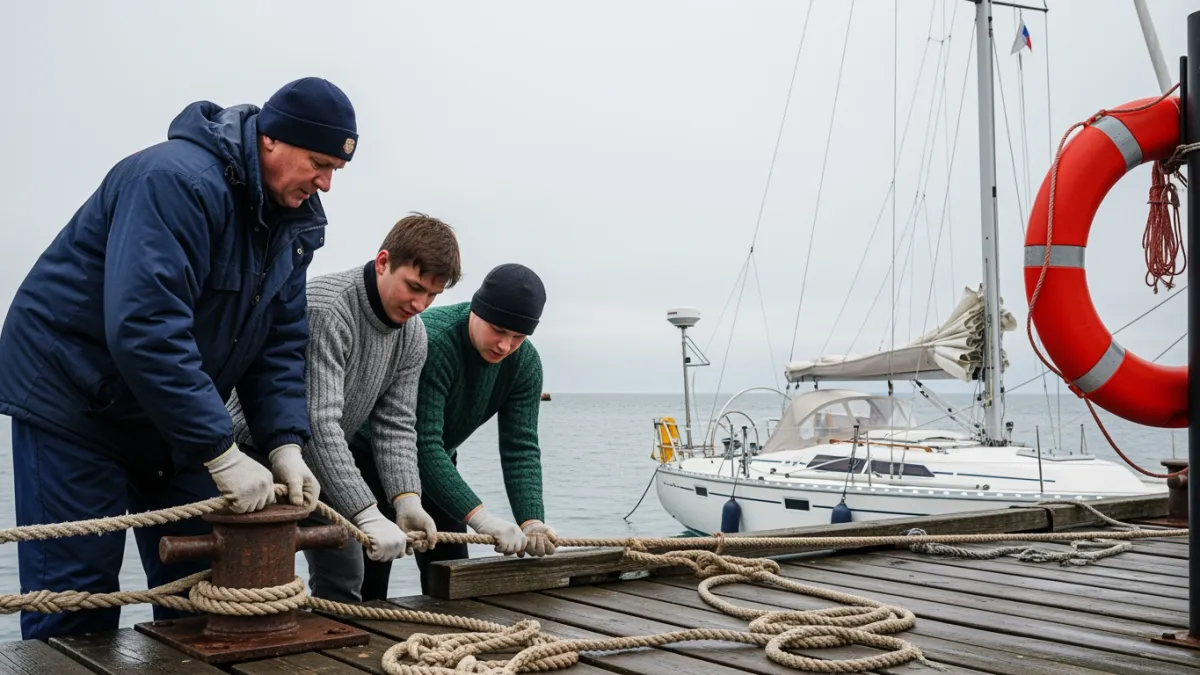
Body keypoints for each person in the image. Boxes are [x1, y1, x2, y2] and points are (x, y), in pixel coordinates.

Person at [0, 77, 358, 640]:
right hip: (75, 402)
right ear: (270, 141)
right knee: (79, 604)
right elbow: (145, 325)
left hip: (168, 413)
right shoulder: (173, 182)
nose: (327, 184)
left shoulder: (295, 226)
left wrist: (286, 443)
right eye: (318, 163)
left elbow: (280, 346)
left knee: (208, 596)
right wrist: (219, 450)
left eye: (336, 170)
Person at [227, 213, 461, 603]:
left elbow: (396, 424)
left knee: (345, 571)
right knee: (256, 580)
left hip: (320, 462)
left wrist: (407, 500)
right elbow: (319, 421)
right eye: (414, 287)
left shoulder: (413, 335)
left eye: (433, 296)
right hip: (257, 452)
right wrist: (367, 513)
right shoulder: (328, 308)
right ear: (383, 261)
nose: (421, 304)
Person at [349, 263, 556, 598]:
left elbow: (521, 449)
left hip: (438, 463)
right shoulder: (433, 339)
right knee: (368, 584)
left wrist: (531, 520)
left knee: (452, 578)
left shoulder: (525, 364)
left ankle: (443, 646)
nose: (505, 345)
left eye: (518, 336)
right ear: (476, 309)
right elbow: (421, 443)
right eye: (498, 330)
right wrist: (483, 518)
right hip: (369, 459)